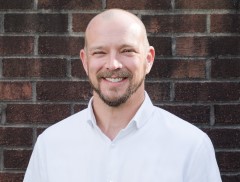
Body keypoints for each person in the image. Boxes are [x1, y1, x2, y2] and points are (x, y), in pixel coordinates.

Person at [24, 9, 222, 182]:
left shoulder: (191, 146)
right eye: (100, 52)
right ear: (85, 61)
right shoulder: (51, 145)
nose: (113, 64)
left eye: (127, 51)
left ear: (148, 59)